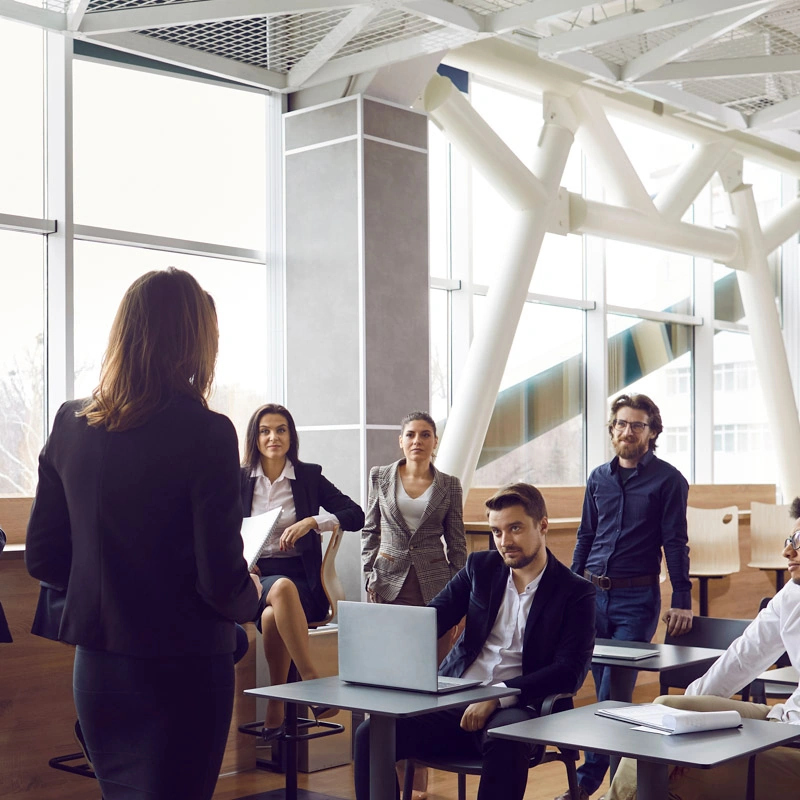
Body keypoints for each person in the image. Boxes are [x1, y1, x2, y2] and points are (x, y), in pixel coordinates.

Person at [25, 268, 261, 800]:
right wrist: (255, 594)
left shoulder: (69, 423)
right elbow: (221, 580)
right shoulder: (209, 432)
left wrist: (115, 590)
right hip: (184, 670)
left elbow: (42, 558)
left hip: (100, 669)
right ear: (195, 341)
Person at [354, 482, 596, 800]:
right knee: (372, 733)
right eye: (497, 532)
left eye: (515, 529)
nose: (505, 541)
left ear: (543, 525)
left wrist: (498, 696)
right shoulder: (479, 569)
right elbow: (431, 620)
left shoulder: (575, 592)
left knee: (504, 737)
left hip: (520, 706)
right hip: (456, 698)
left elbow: (570, 672)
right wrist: (382, 646)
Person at [606, 505, 800, 800]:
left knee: (670, 764)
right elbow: (743, 655)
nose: (787, 552)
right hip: (782, 720)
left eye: (798, 540)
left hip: (793, 740)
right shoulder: (793, 594)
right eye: (789, 540)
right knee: (666, 708)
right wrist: (684, 715)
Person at [560, 393, 693, 800]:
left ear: (652, 432)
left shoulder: (669, 480)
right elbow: (586, 535)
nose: (627, 431)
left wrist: (682, 598)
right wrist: (566, 588)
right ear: (612, 428)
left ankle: (593, 783)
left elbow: (675, 542)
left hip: (637, 599)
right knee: (603, 689)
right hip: (591, 596)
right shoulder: (598, 477)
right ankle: (611, 783)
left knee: (614, 693)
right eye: (620, 423)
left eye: (637, 425)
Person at [241, 402, 365, 739]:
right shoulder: (237, 479)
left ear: (291, 436)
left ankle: (276, 703)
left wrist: (314, 521)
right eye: (265, 431)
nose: (273, 437)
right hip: (254, 577)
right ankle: (312, 680)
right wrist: (241, 558)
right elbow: (218, 528)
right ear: (255, 438)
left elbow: (356, 514)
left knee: (271, 616)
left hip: (305, 580)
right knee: (279, 589)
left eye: (281, 430)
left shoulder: (308, 476)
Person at [362, 410, 467, 662]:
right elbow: (370, 530)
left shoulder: (450, 485)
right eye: (410, 435)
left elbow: (457, 544)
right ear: (401, 440)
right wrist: (369, 576)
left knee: (432, 661)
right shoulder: (380, 476)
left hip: (435, 585)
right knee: (393, 659)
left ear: (435, 441)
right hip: (388, 583)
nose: (417, 441)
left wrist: (459, 590)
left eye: (424, 435)